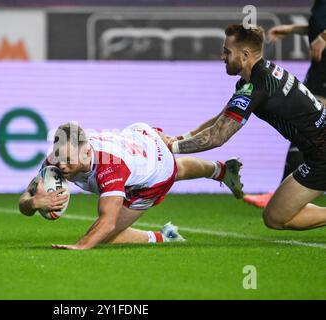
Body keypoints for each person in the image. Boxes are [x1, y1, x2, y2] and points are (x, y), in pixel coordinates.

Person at [159, 23, 326, 231]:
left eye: (227, 52)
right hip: (317, 154)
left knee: (275, 218)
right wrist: (180, 138)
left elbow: (217, 137)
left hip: (322, 156)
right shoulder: (259, 76)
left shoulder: (257, 85)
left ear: (245, 55)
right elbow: (220, 119)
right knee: (275, 215)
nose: (222, 57)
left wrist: (170, 149)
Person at [19, 122, 244, 250]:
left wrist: (81, 246)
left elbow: (107, 223)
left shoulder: (110, 168)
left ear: (87, 152)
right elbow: (24, 201)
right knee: (180, 168)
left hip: (154, 172)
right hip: (139, 137)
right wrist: (33, 202)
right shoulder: (56, 159)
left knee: (103, 235)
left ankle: (164, 237)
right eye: (59, 158)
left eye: (68, 160)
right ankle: (221, 170)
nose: (62, 166)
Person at [244, 0, 326, 208]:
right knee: (311, 128)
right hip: (319, 71)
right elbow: (318, 26)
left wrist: (323, 38)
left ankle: (282, 192)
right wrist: (293, 29)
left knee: (309, 126)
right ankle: (284, 191)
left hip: (323, 72)